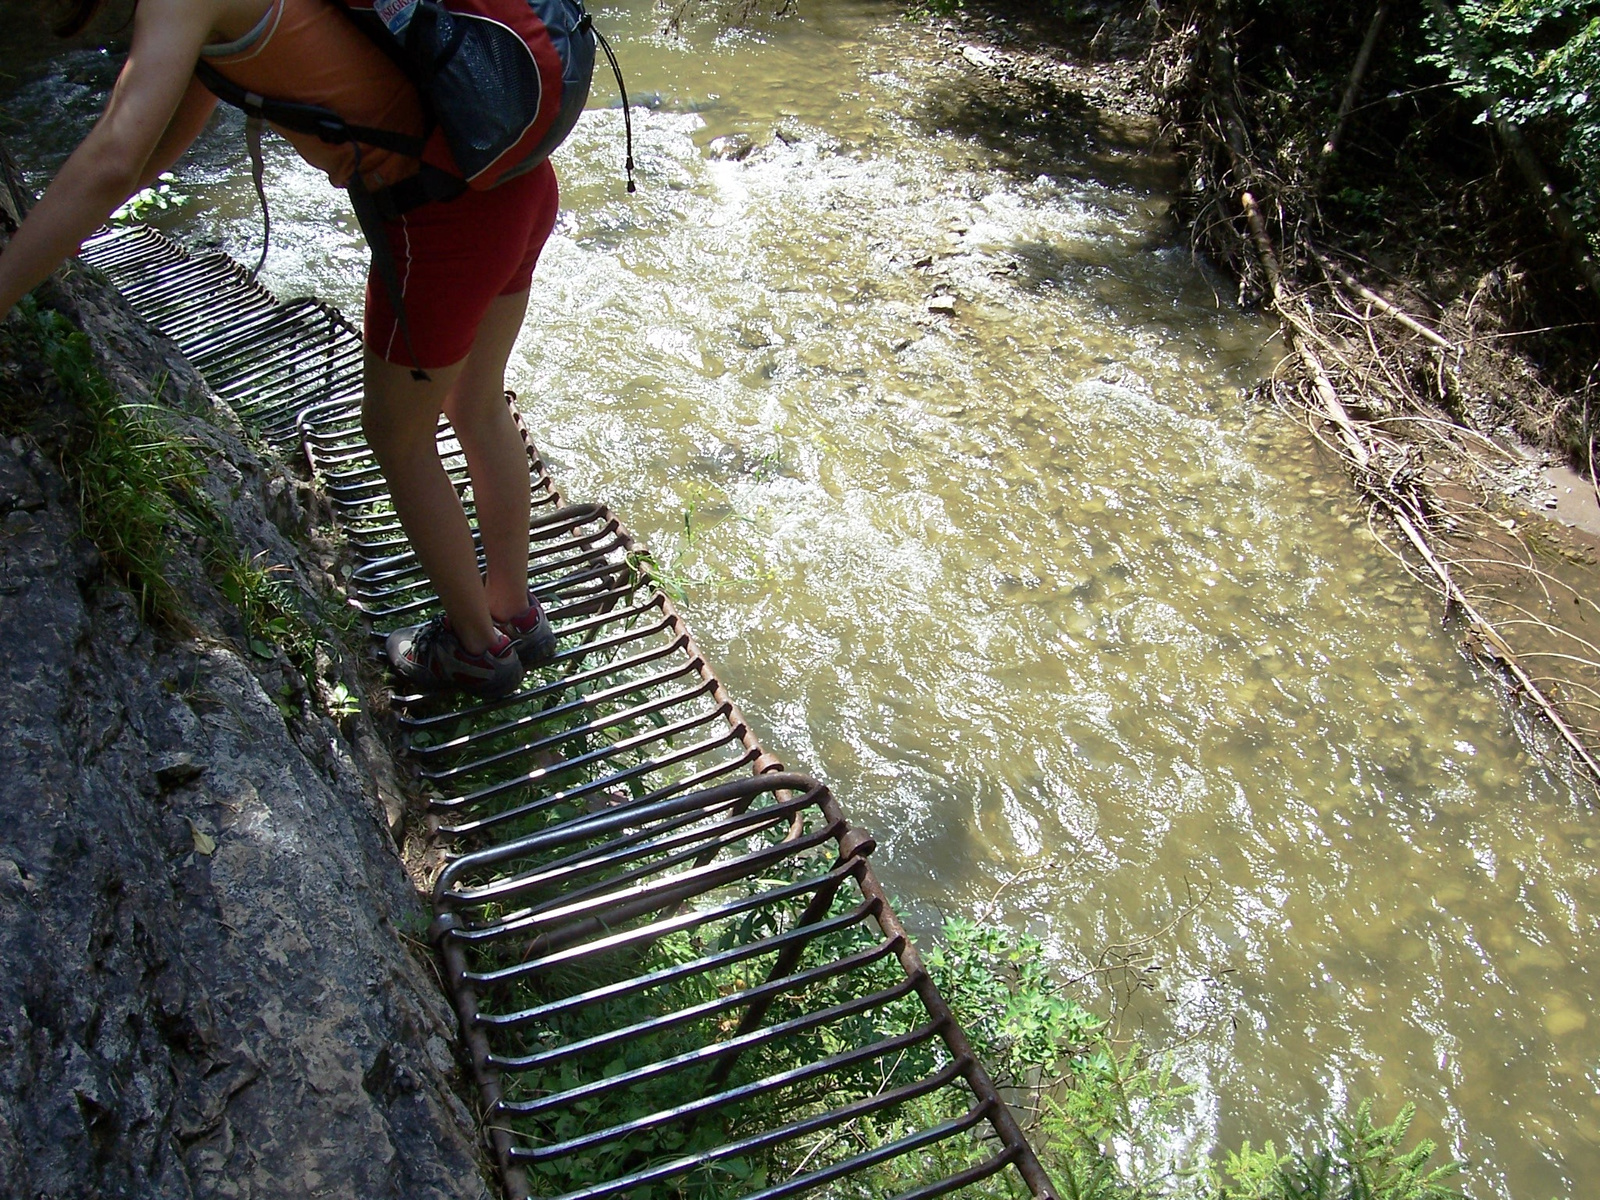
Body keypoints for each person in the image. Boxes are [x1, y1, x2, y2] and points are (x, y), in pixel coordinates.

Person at [0, 0, 560, 699]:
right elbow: (156, 145)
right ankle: (515, 611)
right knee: (475, 403)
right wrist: (90, 205)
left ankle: (477, 650)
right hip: (514, 174)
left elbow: (115, 155)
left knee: (396, 436)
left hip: (442, 221)